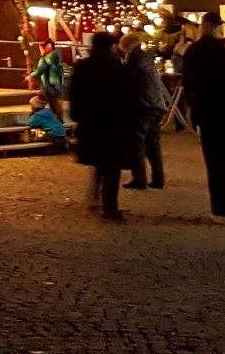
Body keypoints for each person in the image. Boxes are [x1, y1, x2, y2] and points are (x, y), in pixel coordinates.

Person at [180, 12, 225, 224]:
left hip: (206, 113)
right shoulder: (222, 53)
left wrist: (193, 109)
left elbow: (189, 83)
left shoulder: (194, 51)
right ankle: (224, 210)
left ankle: (219, 208)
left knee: (214, 161)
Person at [67, 30, 138, 222]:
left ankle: (95, 195)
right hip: (113, 122)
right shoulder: (117, 68)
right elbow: (127, 96)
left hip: (90, 121)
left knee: (99, 161)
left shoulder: (83, 66)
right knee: (111, 166)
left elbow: (74, 93)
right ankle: (109, 207)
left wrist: (77, 116)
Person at [120, 32, 168, 190]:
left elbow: (127, 79)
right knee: (153, 143)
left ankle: (139, 178)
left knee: (137, 141)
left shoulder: (134, 57)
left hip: (144, 105)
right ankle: (158, 178)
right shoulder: (148, 57)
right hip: (157, 104)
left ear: (127, 45)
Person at [31, 39, 68, 121]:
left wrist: (30, 76)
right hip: (52, 87)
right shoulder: (54, 57)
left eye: (48, 46)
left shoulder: (48, 58)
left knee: (52, 105)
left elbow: (40, 70)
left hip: (50, 88)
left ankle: (38, 120)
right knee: (53, 106)